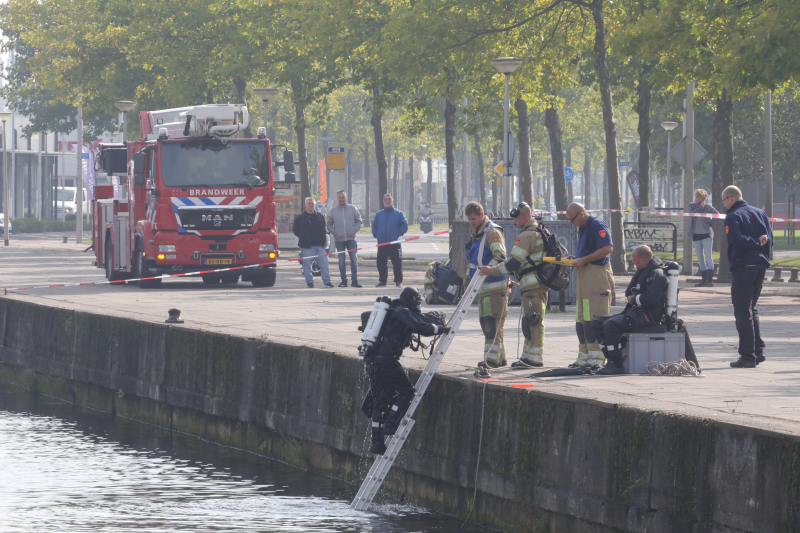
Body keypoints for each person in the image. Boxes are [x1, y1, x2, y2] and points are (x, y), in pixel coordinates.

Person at [365, 287, 450, 454]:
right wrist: (442, 329)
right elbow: (422, 328)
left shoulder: (391, 310)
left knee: (379, 402)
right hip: (386, 361)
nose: (418, 305)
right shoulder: (402, 311)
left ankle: (376, 442)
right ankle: (390, 424)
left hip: (371, 361)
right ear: (412, 300)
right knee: (407, 391)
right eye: (417, 302)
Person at [480, 203, 549, 368]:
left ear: (524, 216)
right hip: (538, 286)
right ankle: (528, 358)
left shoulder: (526, 236)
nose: (513, 221)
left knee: (532, 322)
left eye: (515, 218)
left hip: (532, 287)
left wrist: (492, 271)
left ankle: (533, 359)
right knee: (531, 321)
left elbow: (512, 262)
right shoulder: (540, 231)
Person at [591, 245, 669, 375]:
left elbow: (652, 299)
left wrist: (634, 299)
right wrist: (633, 299)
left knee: (610, 325)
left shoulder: (657, 274)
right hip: (635, 312)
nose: (632, 261)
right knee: (597, 323)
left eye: (634, 259)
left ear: (643, 260)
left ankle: (616, 364)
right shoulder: (643, 270)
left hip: (647, 316)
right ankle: (610, 359)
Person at [722, 185, 773, 368]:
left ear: (731, 198)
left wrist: (754, 243)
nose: (724, 205)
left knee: (743, 311)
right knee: (751, 309)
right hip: (760, 265)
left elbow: (736, 239)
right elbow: (770, 240)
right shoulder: (760, 213)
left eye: (724, 200)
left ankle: (747, 356)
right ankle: (758, 351)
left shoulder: (732, 216)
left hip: (743, 266)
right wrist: (763, 257)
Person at [566, 202, 615, 368]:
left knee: (595, 317)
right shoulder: (583, 227)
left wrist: (583, 259)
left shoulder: (597, 224)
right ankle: (584, 355)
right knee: (582, 318)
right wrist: (574, 259)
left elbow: (607, 248)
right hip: (585, 277)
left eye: (572, 219)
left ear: (581, 214)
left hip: (597, 277)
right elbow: (588, 252)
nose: (572, 223)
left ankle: (597, 358)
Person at [463, 201, 509, 368]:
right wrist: (467, 280)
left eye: (474, 219)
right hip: (483, 288)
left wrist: (489, 270)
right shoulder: (477, 233)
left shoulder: (492, 232)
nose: (471, 222)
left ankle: (491, 360)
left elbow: (500, 255)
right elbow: (473, 262)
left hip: (494, 287)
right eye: (469, 219)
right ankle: (500, 357)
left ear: (482, 215)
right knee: (489, 324)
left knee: (492, 325)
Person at [293, 197, 333, 288]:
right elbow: (296, 231)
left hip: (320, 246)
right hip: (307, 247)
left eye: (312, 204)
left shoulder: (320, 216)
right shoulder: (300, 218)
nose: (311, 205)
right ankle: (309, 282)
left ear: (314, 204)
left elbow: (323, 228)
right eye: (309, 203)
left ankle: (327, 282)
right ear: (305, 205)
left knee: (324, 264)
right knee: (306, 266)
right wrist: (304, 238)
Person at [326, 190, 363, 288]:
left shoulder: (353, 208)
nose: (341, 199)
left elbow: (359, 221)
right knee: (341, 261)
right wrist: (335, 232)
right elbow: (328, 224)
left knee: (354, 260)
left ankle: (354, 280)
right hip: (339, 240)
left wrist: (354, 230)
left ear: (346, 197)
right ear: (337, 198)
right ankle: (344, 281)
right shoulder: (333, 211)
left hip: (351, 239)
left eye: (343, 197)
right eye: (339, 197)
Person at [372, 193, 408, 287]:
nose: (387, 201)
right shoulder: (379, 214)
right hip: (382, 243)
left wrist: (397, 234)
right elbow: (374, 225)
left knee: (397, 263)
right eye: (386, 199)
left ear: (393, 201)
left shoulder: (399, 214)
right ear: (383, 201)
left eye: (389, 199)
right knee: (380, 263)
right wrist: (376, 234)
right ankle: (382, 281)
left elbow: (404, 225)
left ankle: (398, 281)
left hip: (394, 243)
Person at [688, 189, 720, 287]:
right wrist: (701, 207)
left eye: (699, 197)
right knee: (700, 258)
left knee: (708, 256)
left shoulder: (708, 207)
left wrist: (709, 223)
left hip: (706, 234)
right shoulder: (692, 205)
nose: (697, 199)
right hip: (696, 234)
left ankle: (709, 281)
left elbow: (717, 215)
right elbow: (692, 214)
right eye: (696, 196)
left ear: (703, 199)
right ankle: (704, 280)